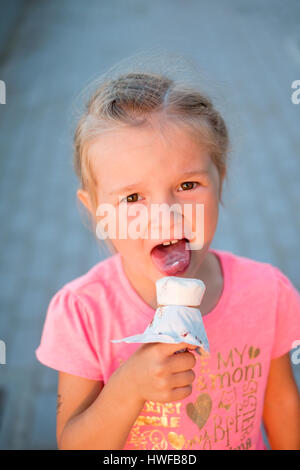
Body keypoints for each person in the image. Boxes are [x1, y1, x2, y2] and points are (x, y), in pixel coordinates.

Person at [35, 67, 300, 450]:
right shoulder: (83, 313)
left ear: (220, 180)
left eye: (187, 185)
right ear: (96, 212)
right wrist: (128, 389)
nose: (165, 215)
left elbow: (281, 403)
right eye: (132, 198)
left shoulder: (267, 292)